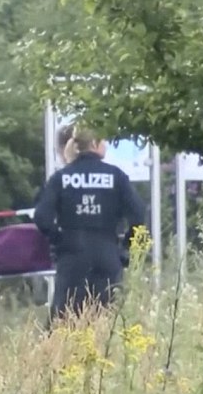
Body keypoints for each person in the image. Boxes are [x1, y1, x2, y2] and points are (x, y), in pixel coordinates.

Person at [33, 127, 146, 320]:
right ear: (94, 143)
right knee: (108, 320)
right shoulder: (116, 176)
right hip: (107, 254)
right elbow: (138, 214)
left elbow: (42, 216)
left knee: (64, 321)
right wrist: (126, 248)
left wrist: (58, 241)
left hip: (72, 256)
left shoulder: (61, 178)